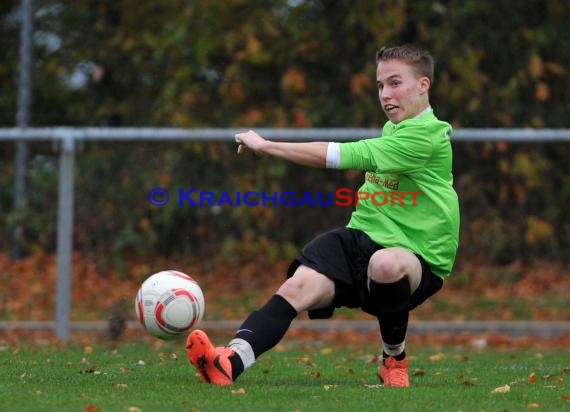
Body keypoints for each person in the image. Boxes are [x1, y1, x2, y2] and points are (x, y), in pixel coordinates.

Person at [186, 44, 460, 388]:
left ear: (423, 85)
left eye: (395, 83)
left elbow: (341, 156)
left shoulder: (427, 136)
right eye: (380, 86)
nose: (386, 94)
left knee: (385, 265)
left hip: (420, 256)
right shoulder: (398, 125)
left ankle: (394, 359)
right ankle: (230, 361)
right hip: (361, 237)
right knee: (296, 286)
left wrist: (267, 146)